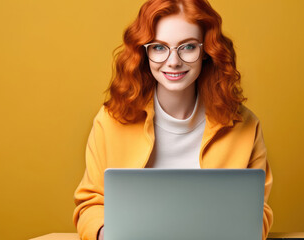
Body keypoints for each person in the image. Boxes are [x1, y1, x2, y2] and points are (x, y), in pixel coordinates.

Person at [73, 0, 273, 239]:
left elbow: (257, 213)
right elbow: (90, 204)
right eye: (159, 47)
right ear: (143, 52)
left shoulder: (246, 126)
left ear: (207, 51)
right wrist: (107, 234)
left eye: (188, 47)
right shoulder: (109, 121)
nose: (173, 61)